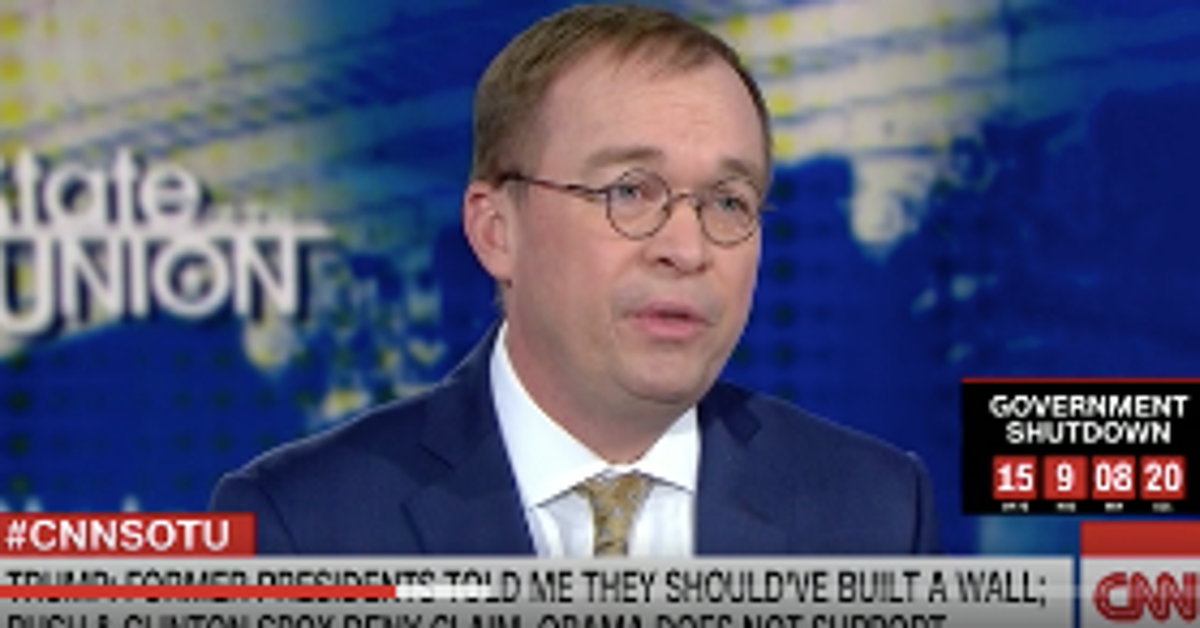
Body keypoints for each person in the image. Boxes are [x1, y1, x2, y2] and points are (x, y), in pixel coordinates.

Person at [210, 3, 940, 555]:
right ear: (497, 231)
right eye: (630, 191)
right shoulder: (301, 525)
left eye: (727, 202)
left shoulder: (876, 512)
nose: (686, 248)